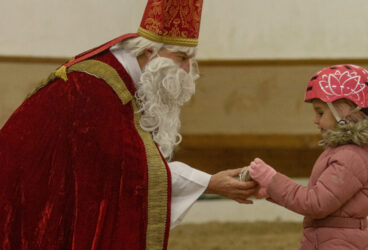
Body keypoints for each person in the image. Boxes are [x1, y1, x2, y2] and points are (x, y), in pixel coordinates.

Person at [0, 0, 257, 249]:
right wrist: (209, 183)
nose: (188, 70)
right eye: (181, 58)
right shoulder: (96, 90)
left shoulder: (124, 82)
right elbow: (136, 174)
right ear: (149, 51)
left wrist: (208, 182)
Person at [244, 64, 368, 249]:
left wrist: (272, 180)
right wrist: (272, 190)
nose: (315, 120)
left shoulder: (351, 157)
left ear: (343, 111)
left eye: (320, 112)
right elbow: (321, 197)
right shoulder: (345, 152)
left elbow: (315, 203)